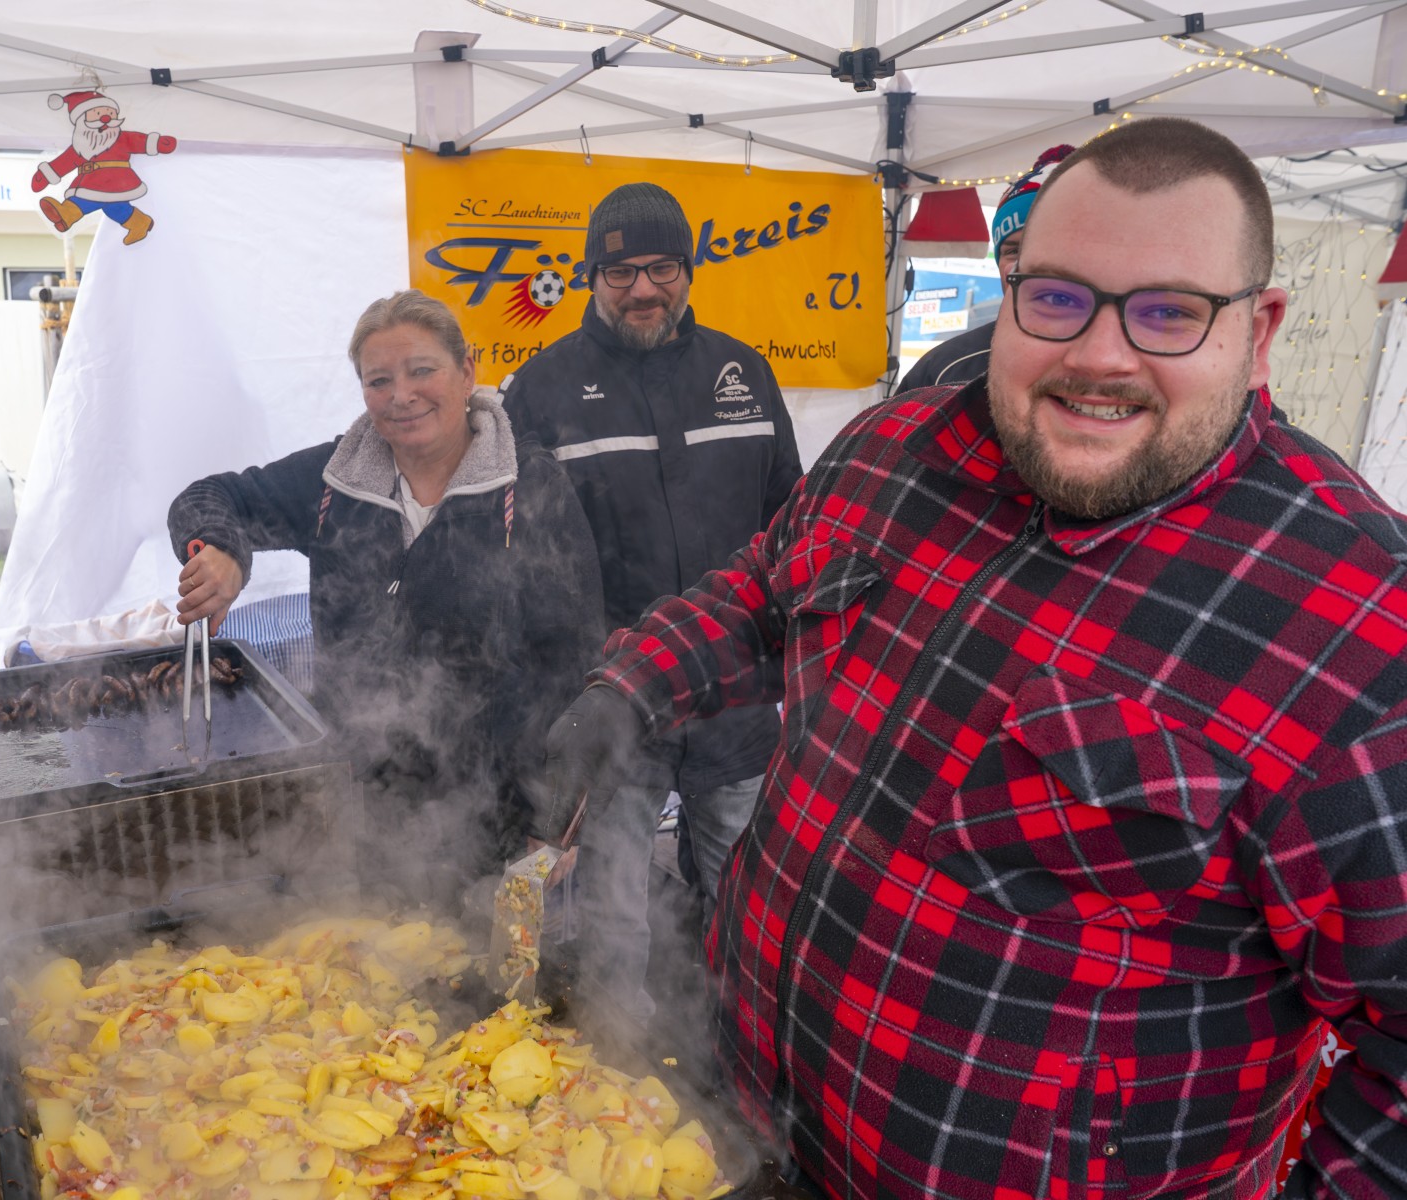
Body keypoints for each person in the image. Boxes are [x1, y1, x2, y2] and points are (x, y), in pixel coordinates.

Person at [538, 117, 1407, 1197]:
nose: (1100, 355)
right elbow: (763, 588)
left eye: (1168, 312)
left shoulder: (1362, 624)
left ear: (1259, 329)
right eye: (1059, 299)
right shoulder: (888, 454)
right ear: (1011, 287)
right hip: (741, 1132)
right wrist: (632, 684)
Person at [170, 290, 603, 897]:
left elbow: (572, 665)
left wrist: (555, 822)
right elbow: (211, 496)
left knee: (484, 958)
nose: (401, 395)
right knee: (364, 951)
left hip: (499, 816)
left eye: (422, 370)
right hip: (360, 805)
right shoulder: (335, 482)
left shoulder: (530, 489)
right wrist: (223, 549)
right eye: (379, 381)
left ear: (467, 371)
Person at [501, 181, 802, 1014]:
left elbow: (792, 523)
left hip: (737, 699)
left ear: (689, 270)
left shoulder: (743, 372)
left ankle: (743, 1044)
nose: (643, 288)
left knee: (749, 896)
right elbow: (524, 564)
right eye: (620, 271)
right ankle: (615, 1059)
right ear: (591, 276)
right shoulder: (541, 389)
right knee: (614, 919)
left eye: (662, 267)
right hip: (616, 706)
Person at [894, 144, 1073, 393]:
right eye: (1013, 250)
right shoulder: (942, 369)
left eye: (1050, 247)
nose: (1028, 265)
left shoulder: (1117, 359)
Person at [32, 89, 176, 245]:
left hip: (117, 180)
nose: (106, 118)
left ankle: (67, 214)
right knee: (114, 207)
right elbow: (65, 161)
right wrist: (45, 176)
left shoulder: (121, 138)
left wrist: (158, 143)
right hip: (91, 181)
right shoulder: (81, 146)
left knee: (86, 200)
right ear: (82, 119)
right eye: (98, 113)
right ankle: (139, 223)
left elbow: (139, 141)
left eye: (110, 113)